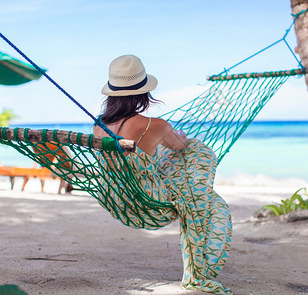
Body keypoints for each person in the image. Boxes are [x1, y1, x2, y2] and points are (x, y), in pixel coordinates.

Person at [94, 55, 232, 295]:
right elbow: (180, 145)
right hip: (150, 199)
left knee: (157, 159)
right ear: (143, 93)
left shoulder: (98, 125)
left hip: (117, 197)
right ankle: (203, 269)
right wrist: (175, 134)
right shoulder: (154, 125)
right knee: (200, 158)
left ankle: (199, 198)